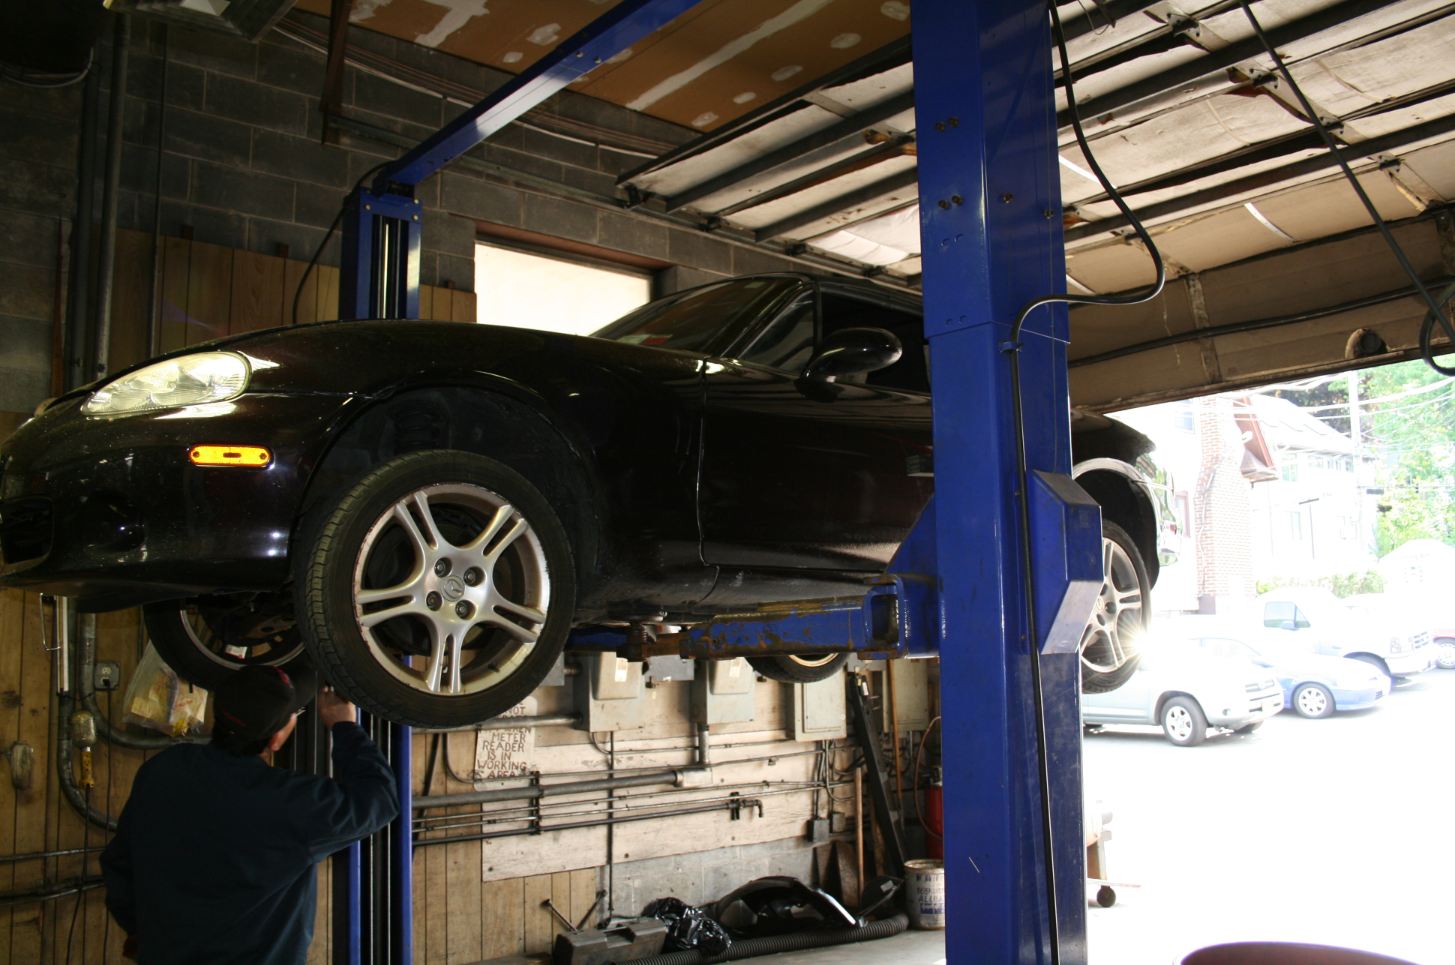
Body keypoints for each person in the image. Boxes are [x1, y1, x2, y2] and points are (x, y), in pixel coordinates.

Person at [101, 665, 399, 964]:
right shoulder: (290, 804)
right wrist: (344, 726)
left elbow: (118, 864)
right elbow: (379, 800)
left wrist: (145, 933)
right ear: (275, 739)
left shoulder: (163, 771)